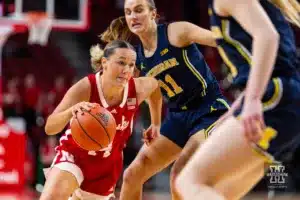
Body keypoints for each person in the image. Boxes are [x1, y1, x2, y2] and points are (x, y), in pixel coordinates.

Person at [100, 0, 230, 199]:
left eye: (138, 10)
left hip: (209, 110)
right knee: (132, 175)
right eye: (128, 12)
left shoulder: (176, 32)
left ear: (153, 13)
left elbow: (221, 40)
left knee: (180, 175)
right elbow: (154, 90)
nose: (133, 16)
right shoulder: (138, 57)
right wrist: (155, 123)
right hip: (178, 117)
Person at [176, 0, 300, 199]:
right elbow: (264, 63)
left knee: (189, 181)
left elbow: (267, 37)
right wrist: (237, 108)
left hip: (275, 98)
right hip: (285, 99)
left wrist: (252, 100)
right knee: (219, 192)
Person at [39, 40, 161, 200]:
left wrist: (156, 123)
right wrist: (71, 111)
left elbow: (155, 87)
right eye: (121, 62)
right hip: (75, 156)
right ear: (105, 62)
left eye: (131, 65)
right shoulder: (86, 87)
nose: (126, 70)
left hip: (106, 168)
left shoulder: (137, 89)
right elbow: (50, 127)